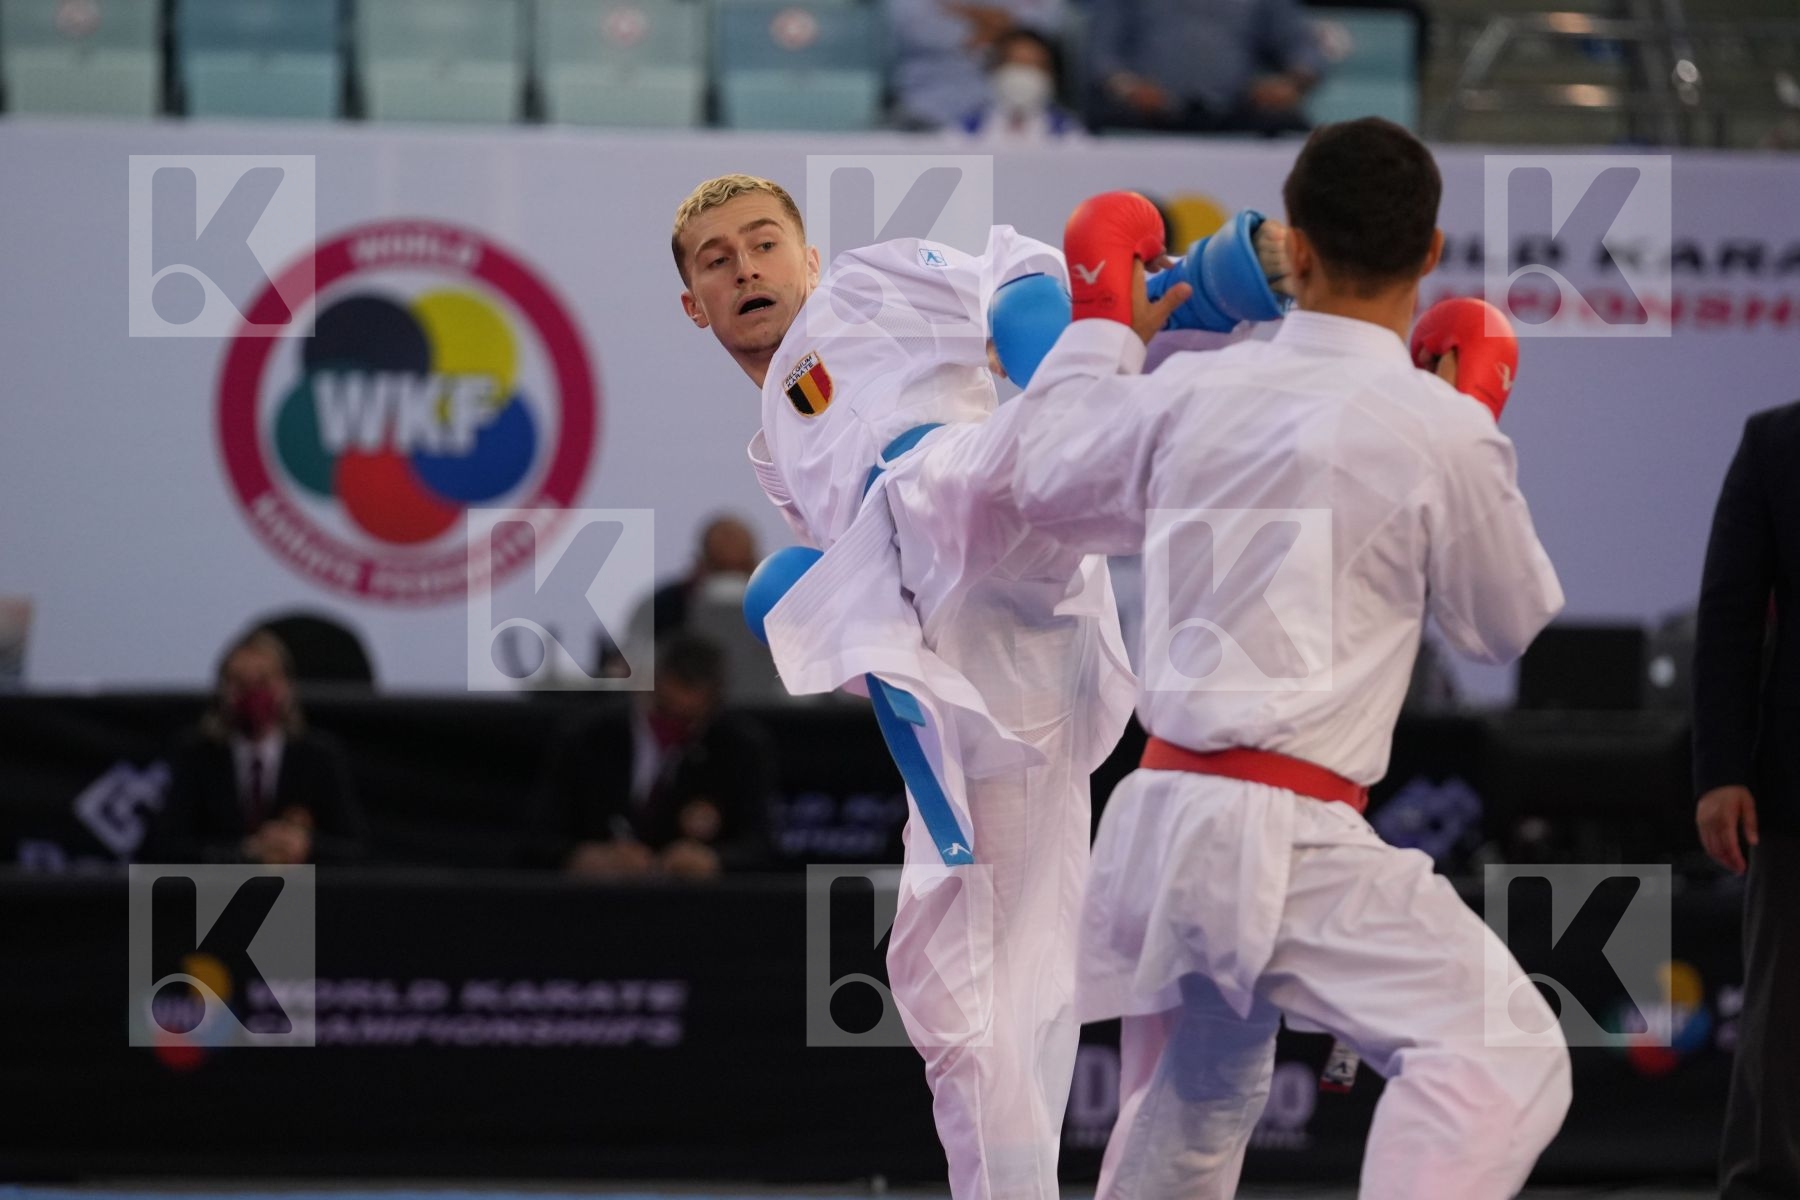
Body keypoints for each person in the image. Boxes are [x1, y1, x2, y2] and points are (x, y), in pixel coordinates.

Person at [975, 118, 1572, 1197]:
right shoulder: (1438, 429)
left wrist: (1106, 328)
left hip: (1158, 821)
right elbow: (1504, 625)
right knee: (1504, 1056)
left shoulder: (1198, 391)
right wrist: (1472, 416)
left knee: (1203, 1097)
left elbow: (1047, 481)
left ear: (1293, 248)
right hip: (1282, 836)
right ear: (1432, 252)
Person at [672, 172, 1292, 1200]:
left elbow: (1010, 273)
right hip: (984, 667)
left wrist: (1043, 341)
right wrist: (830, 618)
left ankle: (1214, 288)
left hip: (953, 493)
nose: (746, 268)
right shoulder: (776, 446)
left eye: (764, 243)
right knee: (987, 991)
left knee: (1017, 463)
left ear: (809, 258)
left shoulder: (863, 286)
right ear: (695, 304)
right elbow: (866, 597)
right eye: (718, 260)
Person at [1693, 400, 1800, 1200]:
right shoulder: (1778, 442)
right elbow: (1729, 613)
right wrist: (1720, 771)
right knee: (1783, 1017)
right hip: (1795, 782)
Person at [527, 633, 773, 879]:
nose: (674, 728)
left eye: (689, 719)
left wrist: (715, 861)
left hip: (694, 897)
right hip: (597, 893)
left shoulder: (738, 746)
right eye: (665, 712)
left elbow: (762, 845)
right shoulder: (588, 737)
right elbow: (536, 838)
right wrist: (581, 856)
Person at [142, 628, 365, 865]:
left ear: (286, 687)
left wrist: (305, 847)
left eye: (263, 681)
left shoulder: (319, 756)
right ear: (222, 690)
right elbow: (166, 847)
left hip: (301, 887)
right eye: (239, 682)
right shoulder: (195, 754)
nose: (252, 694)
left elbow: (355, 848)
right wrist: (244, 851)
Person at [1089, 0, 1324, 136]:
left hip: (1237, 107)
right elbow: (1100, 53)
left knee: (1289, 124)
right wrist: (1130, 88)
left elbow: (1302, 45)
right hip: (1149, 109)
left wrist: (1290, 84)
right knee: (1103, 119)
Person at [889, 0, 1065, 130]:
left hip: (1011, 119)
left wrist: (974, 17)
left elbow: (1048, 22)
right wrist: (993, 23)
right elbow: (913, 26)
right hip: (925, 118)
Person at [958, 28, 1085, 142]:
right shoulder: (963, 131)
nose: (1023, 73)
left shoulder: (1070, 134)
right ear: (995, 68)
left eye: (1033, 65)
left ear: (1051, 75)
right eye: (1016, 63)